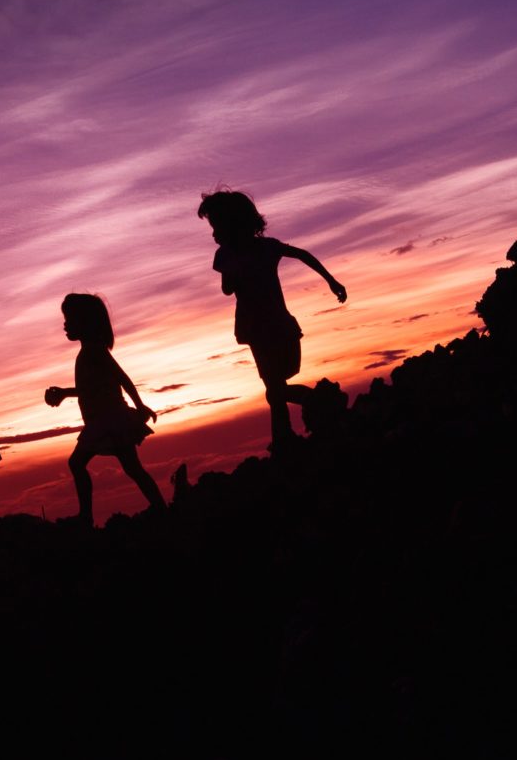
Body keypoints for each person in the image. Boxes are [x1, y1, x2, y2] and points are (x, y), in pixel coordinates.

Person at [197, 189, 347, 450]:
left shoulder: (229, 255)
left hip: (260, 327)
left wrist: (233, 265)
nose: (213, 234)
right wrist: (331, 281)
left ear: (231, 225)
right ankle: (285, 436)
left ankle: (314, 404)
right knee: (275, 387)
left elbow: (227, 289)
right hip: (273, 326)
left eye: (216, 227)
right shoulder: (265, 247)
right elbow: (303, 254)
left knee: (275, 388)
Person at [44, 293, 166, 526]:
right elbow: (90, 389)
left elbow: (122, 378)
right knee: (132, 468)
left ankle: (86, 517)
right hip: (107, 420)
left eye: (70, 319)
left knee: (78, 463)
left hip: (108, 420)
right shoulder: (91, 351)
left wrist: (139, 405)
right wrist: (64, 393)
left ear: (85, 322)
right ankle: (160, 508)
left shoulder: (93, 351)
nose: (65, 325)